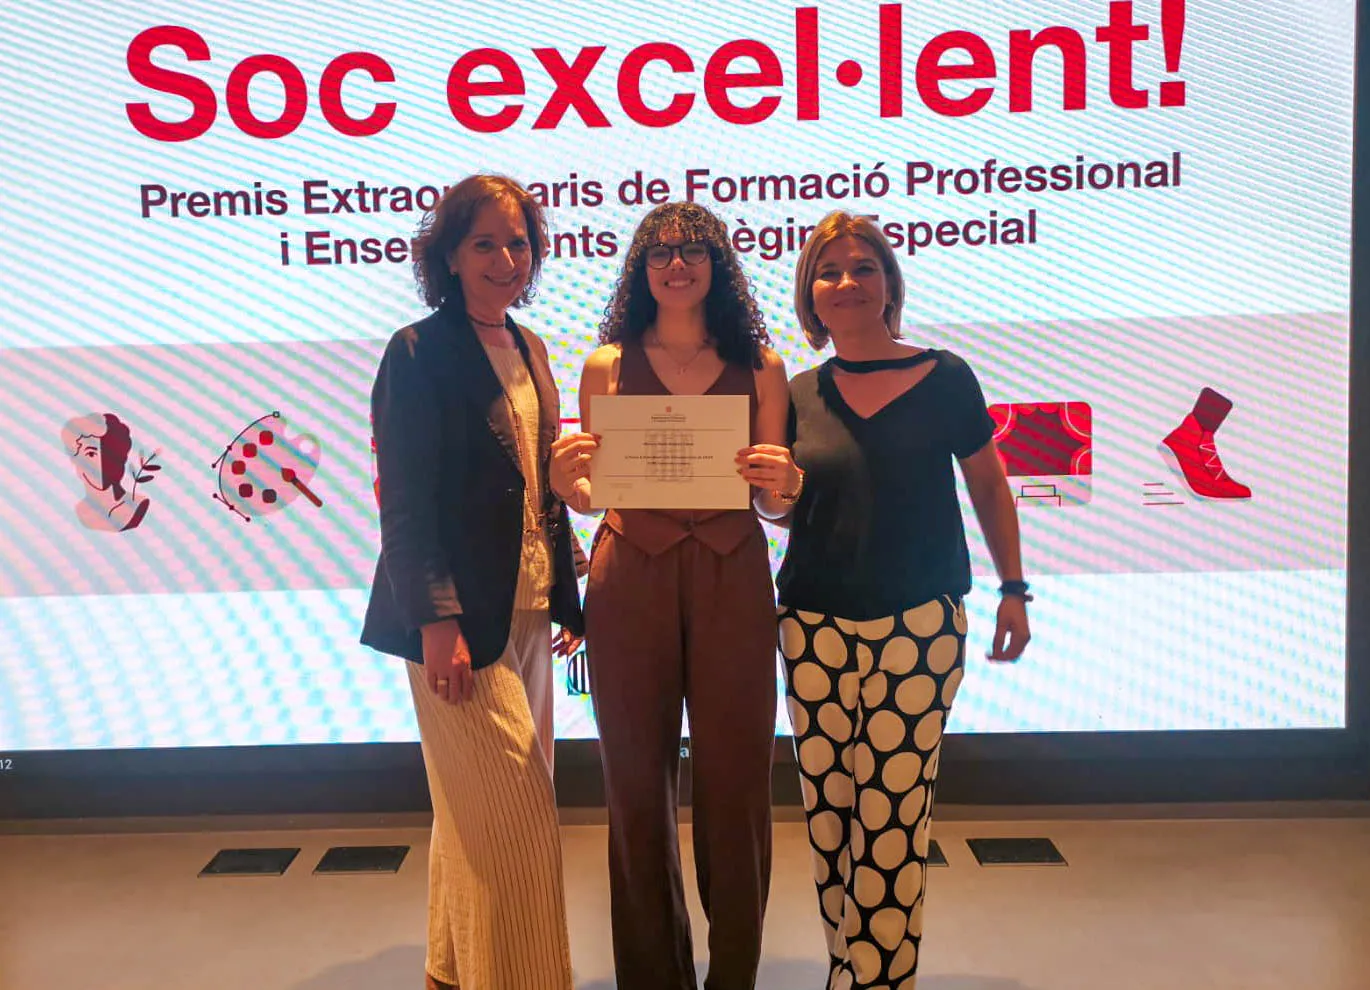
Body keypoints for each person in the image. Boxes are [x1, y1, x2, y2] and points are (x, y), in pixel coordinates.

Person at [770, 211, 1031, 990]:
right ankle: (847, 970)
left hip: (918, 625)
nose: (847, 283)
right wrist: (768, 501)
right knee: (830, 814)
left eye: (862, 267)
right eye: (828, 271)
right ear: (810, 297)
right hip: (812, 625)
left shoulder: (946, 376)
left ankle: (880, 981)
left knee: (893, 815)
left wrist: (1013, 589)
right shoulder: (796, 392)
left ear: (889, 282)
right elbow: (778, 508)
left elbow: (989, 482)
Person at [549, 202, 795, 990]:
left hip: (732, 572)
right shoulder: (606, 365)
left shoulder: (762, 365)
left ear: (718, 263)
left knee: (737, 783)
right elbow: (594, 492)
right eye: (659, 252)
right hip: (632, 575)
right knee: (634, 782)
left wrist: (786, 488)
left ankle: (734, 975)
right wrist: (571, 488)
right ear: (640, 269)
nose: (676, 264)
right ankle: (653, 975)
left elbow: (771, 503)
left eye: (693, 250)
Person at [360, 174, 585, 990]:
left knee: (473, 818)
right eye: (485, 242)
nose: (506, 258)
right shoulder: (417, 351)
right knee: (518, 825)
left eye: (519, 241)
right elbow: (407, 501)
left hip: (527, 609)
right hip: (460, 623)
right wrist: (437, 621)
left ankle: (453, 974)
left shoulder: (531, 349)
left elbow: (534, 485)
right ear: (449, 255)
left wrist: (569, 586)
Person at [61, 412, 155, 532]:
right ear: (74, 459)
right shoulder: (78, 511)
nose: (101, 464)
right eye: (90, 454)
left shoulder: (137, 505)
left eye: (109, 454)